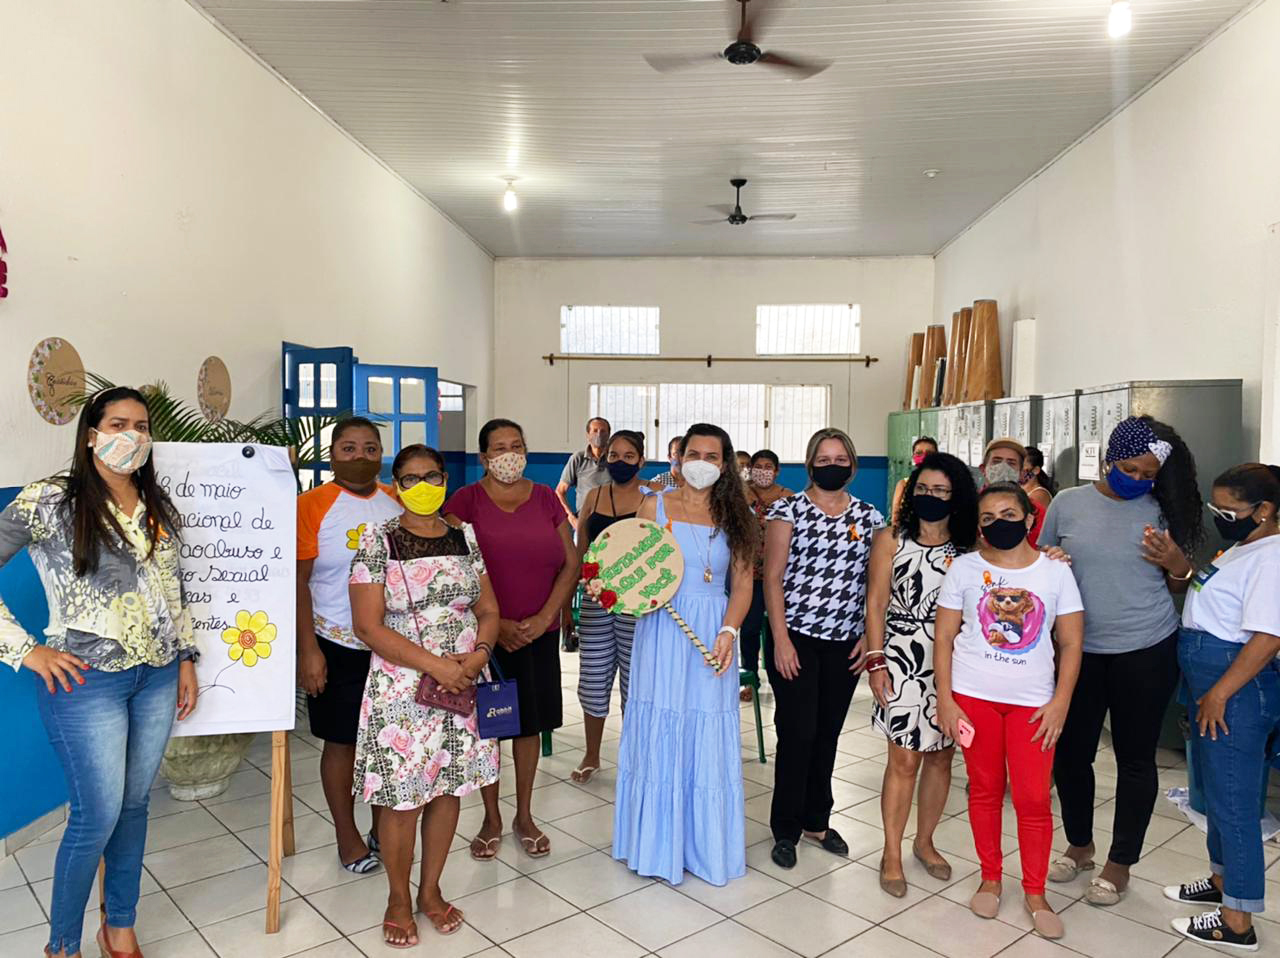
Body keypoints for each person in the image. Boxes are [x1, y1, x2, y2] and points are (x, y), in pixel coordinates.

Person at [0, 387, 199, 958]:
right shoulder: (49, 500)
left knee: (135, 806)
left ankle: (119, 926)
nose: (131, 436)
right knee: (96, 816)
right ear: (91, 434)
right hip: (87, 683)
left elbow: (173, 591)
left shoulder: (156, 503)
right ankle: (62, 945)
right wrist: (25, 650)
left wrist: (184, 658)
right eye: (118, 423)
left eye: (141, 426)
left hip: (157, 676)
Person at [1042, 416, 1204, 906]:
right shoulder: (1067, 504)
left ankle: (1120, 864)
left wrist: (1178, 565)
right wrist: (1050, 559)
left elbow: (1182, 586)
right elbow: (1038, 564)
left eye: (1148, 472)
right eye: (1129, 468)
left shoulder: (1166, 509)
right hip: (1077, 651)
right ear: (1109, 459)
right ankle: (1080, 844)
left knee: (1136, 759)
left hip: (1146, 649)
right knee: (1071, 754)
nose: (1137, 479)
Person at [349, 445, 501, 946]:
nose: (422, 485)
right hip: (403, 687)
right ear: (396, 484)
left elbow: (489, 610)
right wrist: (437, 665)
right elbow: (367, 625)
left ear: (444, 477)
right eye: (410, 478)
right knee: (402, 798)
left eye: (431, 475)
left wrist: (477, 657)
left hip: (463, 681)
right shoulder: (377, 541)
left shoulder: (465, 537)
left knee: (449, 786)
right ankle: (398, 895)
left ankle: (430, 891)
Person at [934, 482, 1084, 941]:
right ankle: (991, 876)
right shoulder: (963, 569)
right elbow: (944, 638)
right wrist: (945, 698)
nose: (998, 523)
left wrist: (1060, 702)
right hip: (973, 697)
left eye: (1008, 514)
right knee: (983, 789)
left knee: (1034, 799)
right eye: (987, 518)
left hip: (1034, 705)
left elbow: (1072, 642)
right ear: (978, 528)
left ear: (1029, 518)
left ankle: (1035, 891)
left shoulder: (1055, 572)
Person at [613, 423, 755, 886]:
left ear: (725, 464)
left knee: (705, 726)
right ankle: (654, 844)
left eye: (711, 456)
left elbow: (744, 583)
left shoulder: (739, 514)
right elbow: (626, 564)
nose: (700, 462)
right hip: (661, 629)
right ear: (678, 458)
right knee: (663, 721)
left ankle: (705, 846)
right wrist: (610, 586)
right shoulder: (653, 506)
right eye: (692, 452)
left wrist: (730, 630)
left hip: (712, 630)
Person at [445, 419, 578, 860]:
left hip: (539, 633)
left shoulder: (545, 499)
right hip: (486, 637)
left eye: (517, 445)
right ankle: (490, 817)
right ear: (483, 457)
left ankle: (523, 814)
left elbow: (571, 564)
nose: (509, 454)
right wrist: (494, 623)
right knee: (492, 727)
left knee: (529, 726)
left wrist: (544, 618)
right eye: (499, 448)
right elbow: (451, 570)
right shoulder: (465, 502)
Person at [1164, 463, 1280, 952]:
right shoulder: (1244, 546)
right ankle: (1220, 882)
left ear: (1265, 510)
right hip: (1211, 681)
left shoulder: (1273, 558)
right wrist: (1180, 567)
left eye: (1228, 509)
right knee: (1212, 793)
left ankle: (1237, 922)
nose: (1219, 516)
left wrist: (1219, 693)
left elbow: (1269, 636)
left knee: (1234, 804)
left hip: (1234, 688)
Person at [762, 428, 882, 870]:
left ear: (852, 463)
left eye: (841, 458)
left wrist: (870, 638)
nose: (833, 466)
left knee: (828, 734)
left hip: (846, 645)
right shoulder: (787, 509)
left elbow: (876, 586)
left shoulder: (871, 517)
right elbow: (772, 577)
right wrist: (780, 640)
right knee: (797, 734)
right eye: (824, 459)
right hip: (795, 640)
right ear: (810, 463)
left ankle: (817, 820)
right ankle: (785, 828)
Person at [866, 451, 978, 895]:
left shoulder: (970, 546)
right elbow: (875, 601)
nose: (931, 497)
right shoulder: (892, 538)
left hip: (954, 664)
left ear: (957, 496)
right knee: (903, 759)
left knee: (941, 756)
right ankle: (891, 852)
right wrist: (876, 661)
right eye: (924, 489)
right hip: (900, 658)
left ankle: (925, 842)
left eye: (941, 491)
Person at [296, 416, 401, 874]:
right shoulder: (311, 505)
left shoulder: (397, 502)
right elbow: (299, 583)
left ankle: (382, 827)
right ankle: (347, 835)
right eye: (349, 448)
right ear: (333, 453)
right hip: (335, 641)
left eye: (370, 449)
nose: (360, 457)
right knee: (341, 744)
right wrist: (309, 651)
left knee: (385, 743)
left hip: (392, 644)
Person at [571, 430, 647, 783]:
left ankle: (634, 756)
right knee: (594, 678)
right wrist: (567, 603)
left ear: (641, 461)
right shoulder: (595, 496)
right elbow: (580, 550)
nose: (620, 462)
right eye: (613, 456)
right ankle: (591, 754)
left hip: (641, 607)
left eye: (628, 456)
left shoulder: (656, 497)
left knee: (637, 683)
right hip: (596, 601)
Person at [555, 417, 613, 651]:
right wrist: (571, 517)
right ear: (588, 433)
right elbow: (559, 492)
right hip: (584, 526)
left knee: (609, 573)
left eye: (604, 431)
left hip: (611, 528)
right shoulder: (578, 459)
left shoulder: (614, 459)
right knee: (579, 570)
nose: (600, 434)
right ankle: (573, 624)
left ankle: (607, 615)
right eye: (595, 430)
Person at [740, 449, 791, 702]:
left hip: (779, 577)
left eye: (768, 466)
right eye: (757, 466)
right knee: (748, 629)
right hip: (749, 575)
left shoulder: (788, 498)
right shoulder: (741, 494)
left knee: (775, 628)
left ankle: (778, 676)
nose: (763, 471)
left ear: (777, 470)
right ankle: (749, 677)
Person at [981, 439, 1045, 547]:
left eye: (1011, 463)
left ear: (1021, 473)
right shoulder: (968, 506)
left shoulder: (1037, 511)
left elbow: (1044, 550)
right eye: (996, 461)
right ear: (983, 469)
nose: (1003, 467)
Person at [890, 436, 938, 525]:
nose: (924, 456)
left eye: (929, 453)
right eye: (919, 453)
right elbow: (895, 518)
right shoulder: (903, 484)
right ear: (913, 457)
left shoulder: (945, 485)